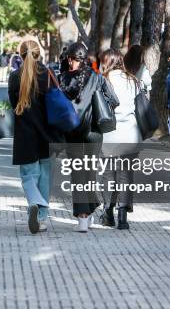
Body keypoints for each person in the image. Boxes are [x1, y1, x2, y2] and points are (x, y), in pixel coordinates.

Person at [59, 42, 119, 232]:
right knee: (90, 173)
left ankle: (83, 217)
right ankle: (90, 210)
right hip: (94, 132)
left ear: (69, 59)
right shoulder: (97, 77)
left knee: (78, 174)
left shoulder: (63, 79)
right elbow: (114, 100)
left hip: (73, 132)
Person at [8, 40, 63, 234]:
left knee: (29, 176)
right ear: (39, 54)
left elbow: (14, 104)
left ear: (21, 55)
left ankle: (33, 201)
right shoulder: (48, 75)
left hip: (25, 134)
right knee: (45, 176)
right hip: (48, 133)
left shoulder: (15, 77)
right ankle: (40, 217)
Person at [99, 48, 142, 230]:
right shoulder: (133, 80)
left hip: (110, 134)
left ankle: (108, 212)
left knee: (109, 174)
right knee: (126, 175)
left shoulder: (103, 80)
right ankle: (123, 216)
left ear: (107, 62)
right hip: (130, 135)